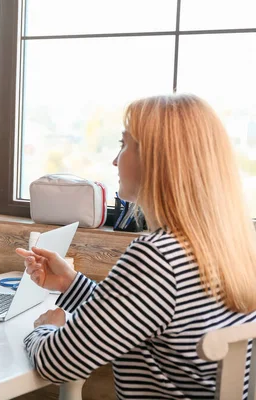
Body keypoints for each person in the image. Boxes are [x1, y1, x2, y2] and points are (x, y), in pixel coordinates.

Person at [17, 94, 256, 399]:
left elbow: (58, 363)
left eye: (124, 144)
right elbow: (153, 315)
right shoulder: (230, 247)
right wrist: (71, 284)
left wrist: (47, 327)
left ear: (157, 159)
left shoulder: (157, 259)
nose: (115, 160)